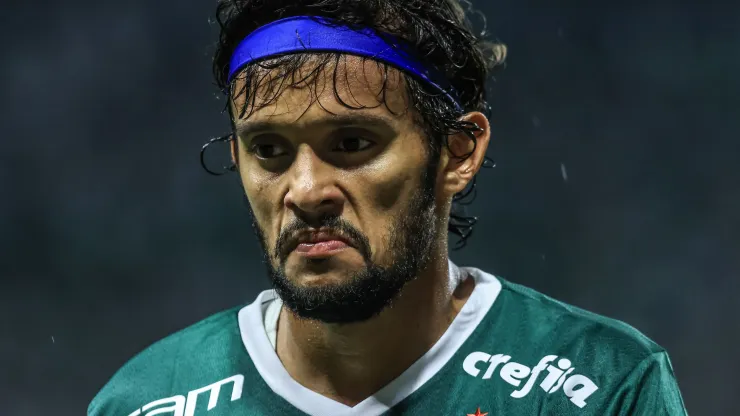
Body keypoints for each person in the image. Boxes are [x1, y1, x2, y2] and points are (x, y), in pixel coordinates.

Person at [88, 0, 688, 415]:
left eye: (351, 144)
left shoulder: (601, 387)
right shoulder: (145, 401)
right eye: (268, 149)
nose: (305, 190)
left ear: (457, 152)